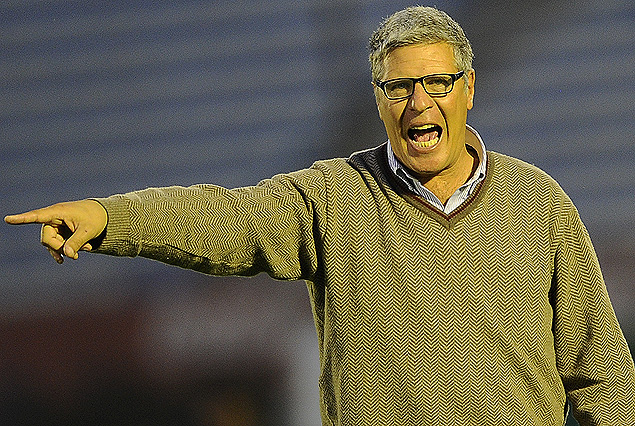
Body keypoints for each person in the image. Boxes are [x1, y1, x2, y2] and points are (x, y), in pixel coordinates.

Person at [5, 6, 635, 425]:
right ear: (379, 100)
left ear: (468, 88)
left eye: (437, 83)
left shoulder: (540, 206)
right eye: (398, 87)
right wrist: (110, 218)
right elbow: (228, 219)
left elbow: (603, 376)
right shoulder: (335, 199)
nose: (418, 103)